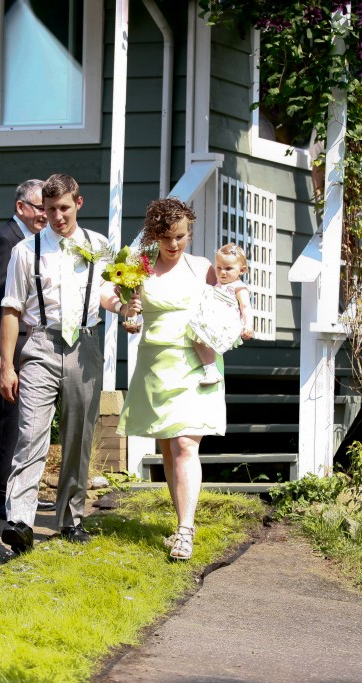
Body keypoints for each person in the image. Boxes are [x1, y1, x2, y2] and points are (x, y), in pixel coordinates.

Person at [0, 173, 121, 553]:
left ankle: (71, 519)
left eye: (64, 208)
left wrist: (124, 305)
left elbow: (106, 293)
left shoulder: (99, 246)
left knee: (77, 437)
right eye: (50, 209)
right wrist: (7, 364)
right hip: (40, 345)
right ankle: (20, 520)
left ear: (78, 204)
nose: (57, 216)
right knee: (31, 433)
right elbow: (11, 309)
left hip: (85, 346)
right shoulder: (26, 250)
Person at [117, 197, 226, 561]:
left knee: (185, 445)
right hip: (155, 364)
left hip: (197, 363)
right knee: (167, 447)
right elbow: (120, 302)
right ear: (154, 236)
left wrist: (239, 322)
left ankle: (185, 530)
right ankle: (181, 519)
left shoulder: (203, 268)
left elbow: (228, 299)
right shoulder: (139, 268)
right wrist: (128, 315)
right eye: (166, 237)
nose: (174, 244)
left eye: (180, 236)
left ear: (189, 231)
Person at [0, 179, 54, 520]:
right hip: (8, 348)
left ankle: (19, 494)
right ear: (21, 207)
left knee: (26, 423)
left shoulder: (37, 241)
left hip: (29, 346)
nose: (45, 216)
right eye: (40, 208)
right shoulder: (6, 240)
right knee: (7, 422)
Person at [187, 243, 255, 386]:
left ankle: (211, 369)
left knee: (200, 335)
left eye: (228, 268)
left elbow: (245, 307)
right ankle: (211, 370)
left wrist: (248, 325)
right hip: (212, 317)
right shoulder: (217, 284)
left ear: (241, 270)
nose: (222, 272)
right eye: (219, 268)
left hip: (224, 321)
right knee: (197, 337)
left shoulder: (238, 287)